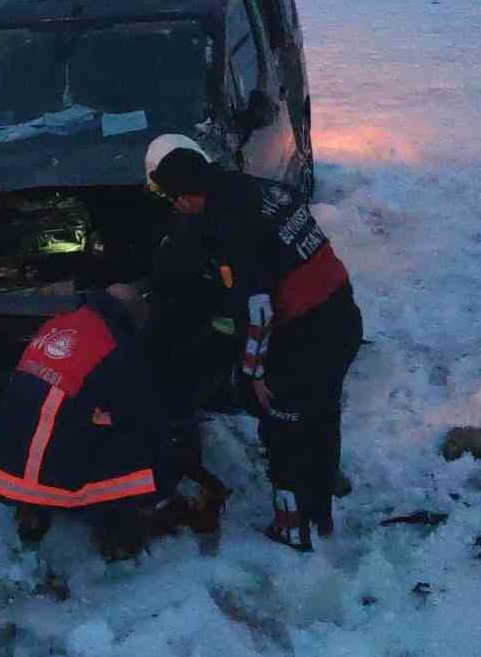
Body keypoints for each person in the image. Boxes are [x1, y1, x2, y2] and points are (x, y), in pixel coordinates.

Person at [144, 134, 363, 552]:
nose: (178, 209)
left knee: (283, 429)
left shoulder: (230, 227)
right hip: (343, 313)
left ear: (185, 198)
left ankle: (292, 530)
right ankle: (320, 511)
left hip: (308, 333)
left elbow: (258, 309)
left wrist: (253, 374)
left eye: (176, 201)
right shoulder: (258, 188)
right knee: (321, 414)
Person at [0, 284, 183, 560]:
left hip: (6, 459)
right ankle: (120, 537)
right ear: (132, 318)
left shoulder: (57, 324)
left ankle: (30, 512)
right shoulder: (117, 346)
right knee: (148, 452)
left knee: (61, 422)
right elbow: (142, 414)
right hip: (48, 471)